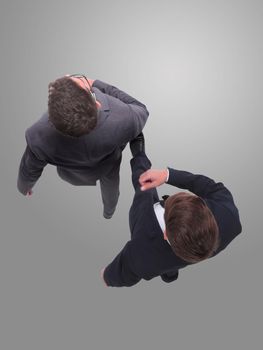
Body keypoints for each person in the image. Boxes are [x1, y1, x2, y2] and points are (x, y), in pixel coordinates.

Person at [101, 133, 242, 286]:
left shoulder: (141, 257)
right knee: (170, 262)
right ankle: (169, 274)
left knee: (144, 185)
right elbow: (212, 188)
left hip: (146, 229)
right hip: (173, 256)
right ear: (204, 207)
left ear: (166, 235)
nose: (164, 202)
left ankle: (139, 155)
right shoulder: (230, 218)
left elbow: (109, 277)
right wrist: (167, 175)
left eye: (166, 205)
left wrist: (106, 275)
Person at [17, 75, 149, 218]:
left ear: (52, 117)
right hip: (107, 168)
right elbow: (141, 109)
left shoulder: (39, 135)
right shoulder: (123, 118)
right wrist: (96, 83)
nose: (69, 76)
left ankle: (108, 211)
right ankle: (109, 213)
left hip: (72, 175)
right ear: (97, 104)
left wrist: (24, 187)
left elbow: (29, 169)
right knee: (111, 190)